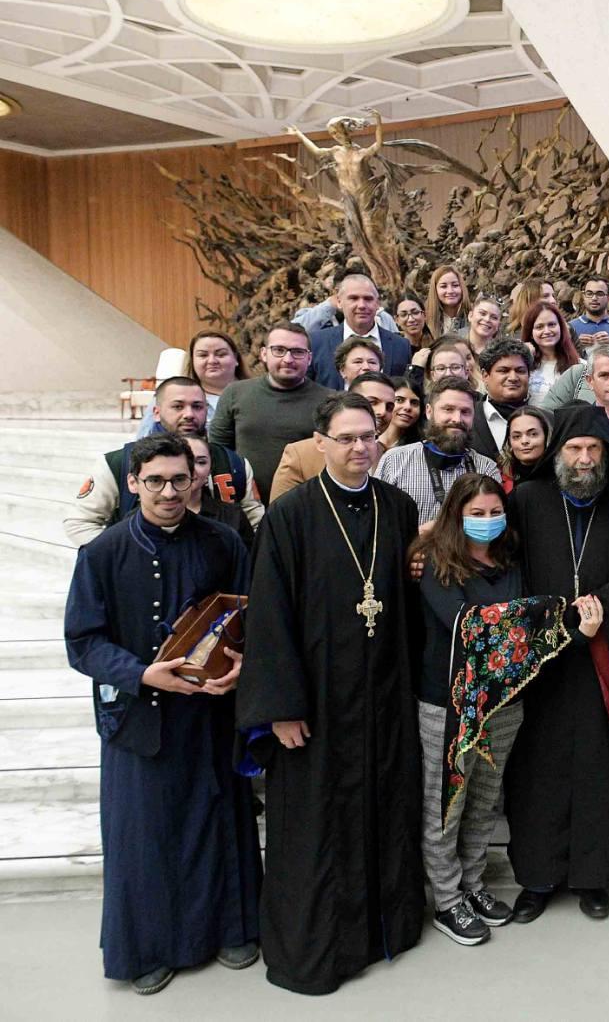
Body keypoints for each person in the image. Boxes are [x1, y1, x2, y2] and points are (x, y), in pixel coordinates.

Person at [236, 393, 425, 995]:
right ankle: (319, 945)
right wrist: (281, 708)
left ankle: (382, 929)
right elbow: (269, 616)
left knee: (383, 808)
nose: (359, 447)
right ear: (319, 443)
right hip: (316, 701)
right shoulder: (291, 515)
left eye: (368, 436)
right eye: (345, 438)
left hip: (383, 693)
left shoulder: (397, 506)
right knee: (319, 821)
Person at [65, 433, 258, 996]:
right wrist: (142, 674)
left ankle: (231, 928)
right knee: (143, 835)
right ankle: (146, 948)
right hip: (138, 717)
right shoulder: (101, 553)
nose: (169, 492)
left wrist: (241, 663)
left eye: (180, 479)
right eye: (155, 481)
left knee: (218, 820)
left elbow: (251, 616)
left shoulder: (224, 541)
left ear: (195, 479)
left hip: (210, 711)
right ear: (133, 483)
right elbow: (82, 642)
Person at [502, 405, 609, 924]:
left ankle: (591, 876)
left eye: (594, 449)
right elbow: (506, 568)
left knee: (597, 766)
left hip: (601, 656)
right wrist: (555, 620)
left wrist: (601, 605)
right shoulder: (527, 500)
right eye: (575, 449)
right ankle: (537, 878)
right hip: (541, 660)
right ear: (557, 453)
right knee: (537, 769)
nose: (585, 459)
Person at [414, 474, 529, 946]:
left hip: (503, 701)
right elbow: (469, 626)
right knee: (447, 804)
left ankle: (474, 883)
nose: (487, 521)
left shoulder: (511, 560)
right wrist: (526, 620)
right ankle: (446, 899)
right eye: (476, 514)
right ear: (455, 516)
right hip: (450, 704)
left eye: (494, 512)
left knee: (484, 799)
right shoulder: (436, 563)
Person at [68, 376, 262, 546]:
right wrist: (123, 556)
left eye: (197, 406)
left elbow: (256, 524)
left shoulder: (233, 463)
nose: (189, 414)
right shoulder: (118, 463)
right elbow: (81, 523)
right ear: (156, 412)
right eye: (178, 406)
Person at [210, 322, 335, 499]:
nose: (288, 359)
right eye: (279, 350)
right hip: (246, 502)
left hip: (307, 502)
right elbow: (218, 452)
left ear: (309, 358)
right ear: (264, 354)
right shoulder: (235, 393)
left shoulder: (330, 401)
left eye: (297, 352)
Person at [376, 376, 501, 525]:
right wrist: (416, 535)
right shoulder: (394, 461)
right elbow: (378, 521)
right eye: (448, 409)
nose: (457, 419)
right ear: (429, 411)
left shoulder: (486, 468)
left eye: (465, 412)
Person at [271, 371, 395, 502]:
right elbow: (282, 510)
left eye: (389, 407)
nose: (382, 412)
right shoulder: (300, 455)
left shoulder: (390, 456)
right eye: (372, 402)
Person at [307, 273, 413, 387]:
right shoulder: (316, 343)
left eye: (368, 299)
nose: (362, 305)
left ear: (377, 303)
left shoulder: (401, 345)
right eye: (354, 298)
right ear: (339, 302)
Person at [135, 330, 248, 437]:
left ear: (236, 359)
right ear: (192, 361)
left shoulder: (255, 394)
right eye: (203, 355)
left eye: (221, 354)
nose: (212, 361)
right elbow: (143, 441)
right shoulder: (166, 397)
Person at [180, 432, 254, 551]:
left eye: (201, 462)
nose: (192, 469)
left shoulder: (233, 515)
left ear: (210, 469)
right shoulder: (153, 514)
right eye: (185, 460)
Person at [468, 338, 531, 458]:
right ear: (485, 375)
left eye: (520, 371)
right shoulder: (467, 418)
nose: (513, 378)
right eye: (503, 371)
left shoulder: (545, 420)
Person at [521, 303, 581, 405]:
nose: (547, 331)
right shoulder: (522, 365)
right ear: (531, 333)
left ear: (560, 327)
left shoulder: (580, 366)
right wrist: (523, 354)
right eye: (539, 327)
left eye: (552, 325)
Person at [499, 405, 552, 488]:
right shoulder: (498, 477)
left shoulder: (562, 475)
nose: (524, 441)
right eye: (517, 436)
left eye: (533, 434)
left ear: (546, 436)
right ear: (509, 442)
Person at [569, 275, 609, 350]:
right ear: (584, 297)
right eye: (589, 294)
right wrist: (574, 344)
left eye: (600, 294)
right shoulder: (570, 327)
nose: (594, 298)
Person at [381, 376, 424, 450]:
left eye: (414, 403)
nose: (408, 407)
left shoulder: (422, 449)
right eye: (399, 400)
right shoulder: (364, 438)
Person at [425, 264, 468, 338]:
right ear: (435, 290)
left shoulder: (474, 317)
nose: (450, 291)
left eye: (455, 285)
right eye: (443, 286)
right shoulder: (425, 321)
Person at [464, 294, 504, 359]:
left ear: (499, 324)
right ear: (470, 316)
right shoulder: (455, 346)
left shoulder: (502, 355)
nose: (487, 319)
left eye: (494, 317)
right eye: (482, 313)